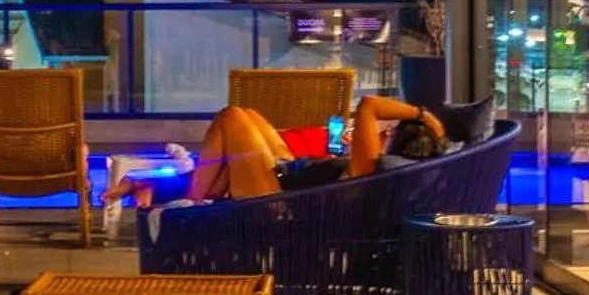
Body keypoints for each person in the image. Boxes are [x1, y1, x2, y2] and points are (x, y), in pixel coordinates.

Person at [110, 94, 445, 209]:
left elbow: (369, 105)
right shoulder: (380, 171)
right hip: (285, 179)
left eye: (390, 131)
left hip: (274, 198)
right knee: (248, 118)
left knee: (232, 118)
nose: (382, 132)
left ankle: (193, 207)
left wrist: (425, 115)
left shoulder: (370, 165)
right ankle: (165, 189)